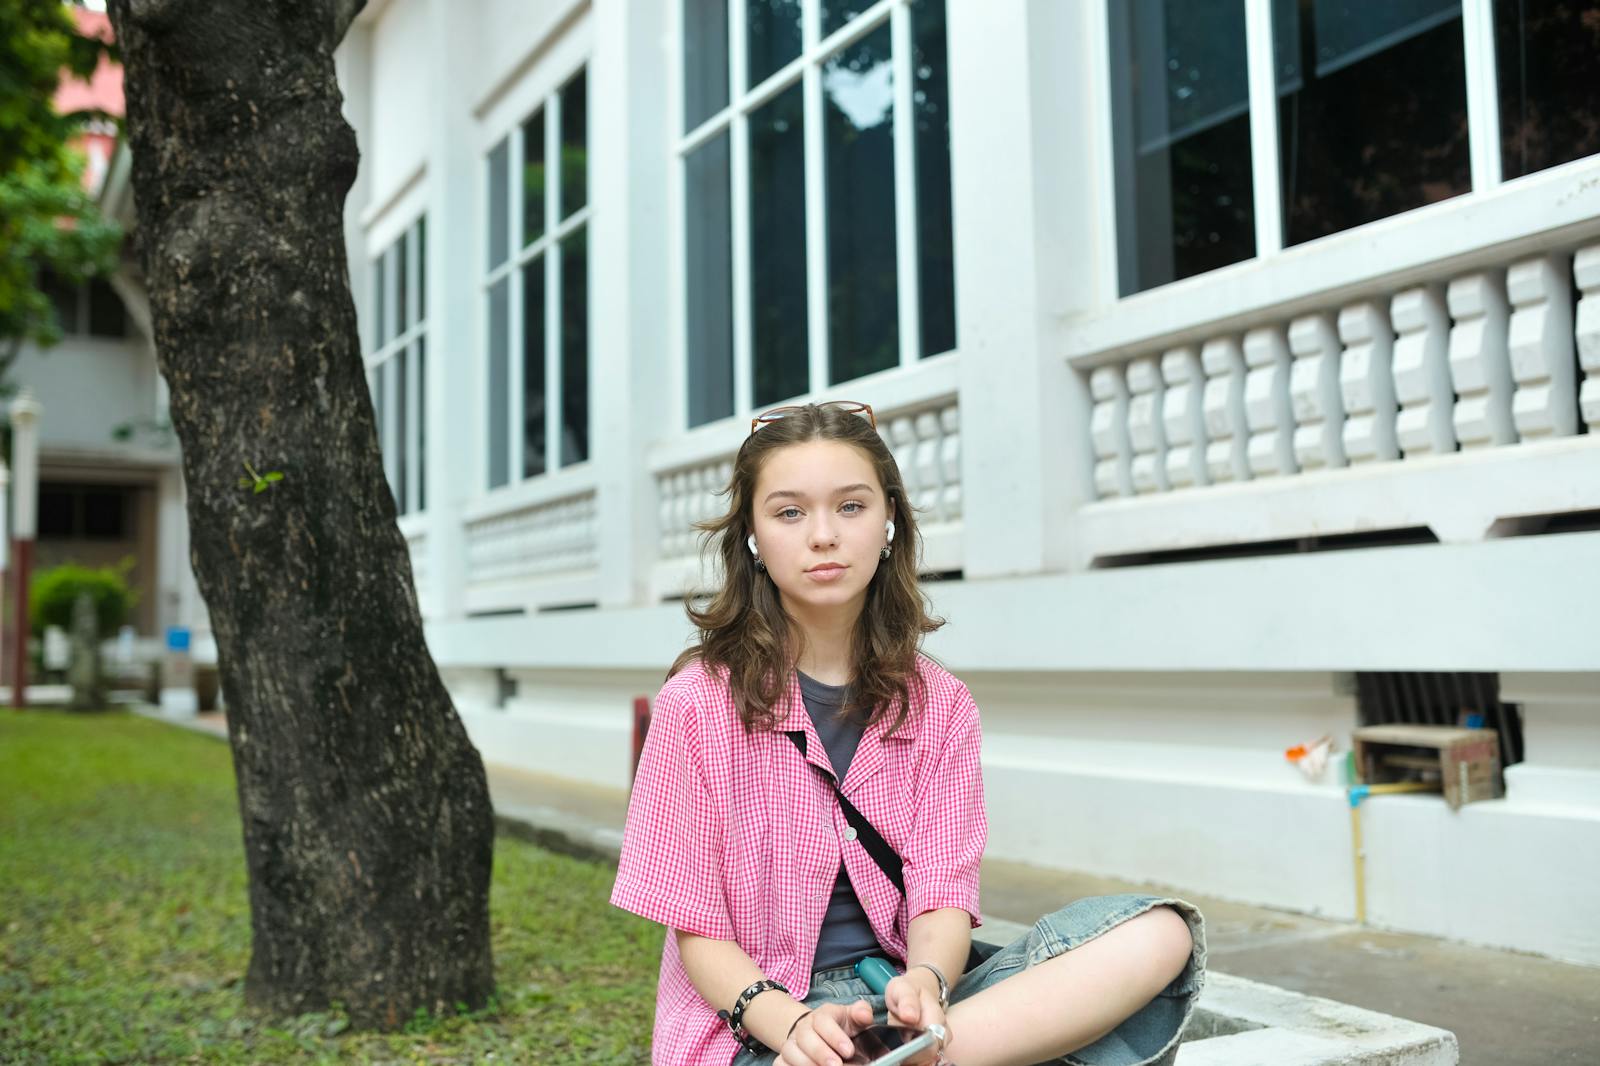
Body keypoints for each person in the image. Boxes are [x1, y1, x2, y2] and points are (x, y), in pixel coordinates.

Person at [612, 401, 1205, 1066]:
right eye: (789, 512)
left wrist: (927, 983)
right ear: (751, 535)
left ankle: (915, 1058)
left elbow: (941, 894)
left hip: (907, 1010)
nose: (823, 535)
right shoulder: (696, 704)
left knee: (1159, 935)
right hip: (762, 1023)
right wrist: (795, 1027)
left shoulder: (942, 704)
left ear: (890, 519)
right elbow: (697, 930)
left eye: (851, 506)